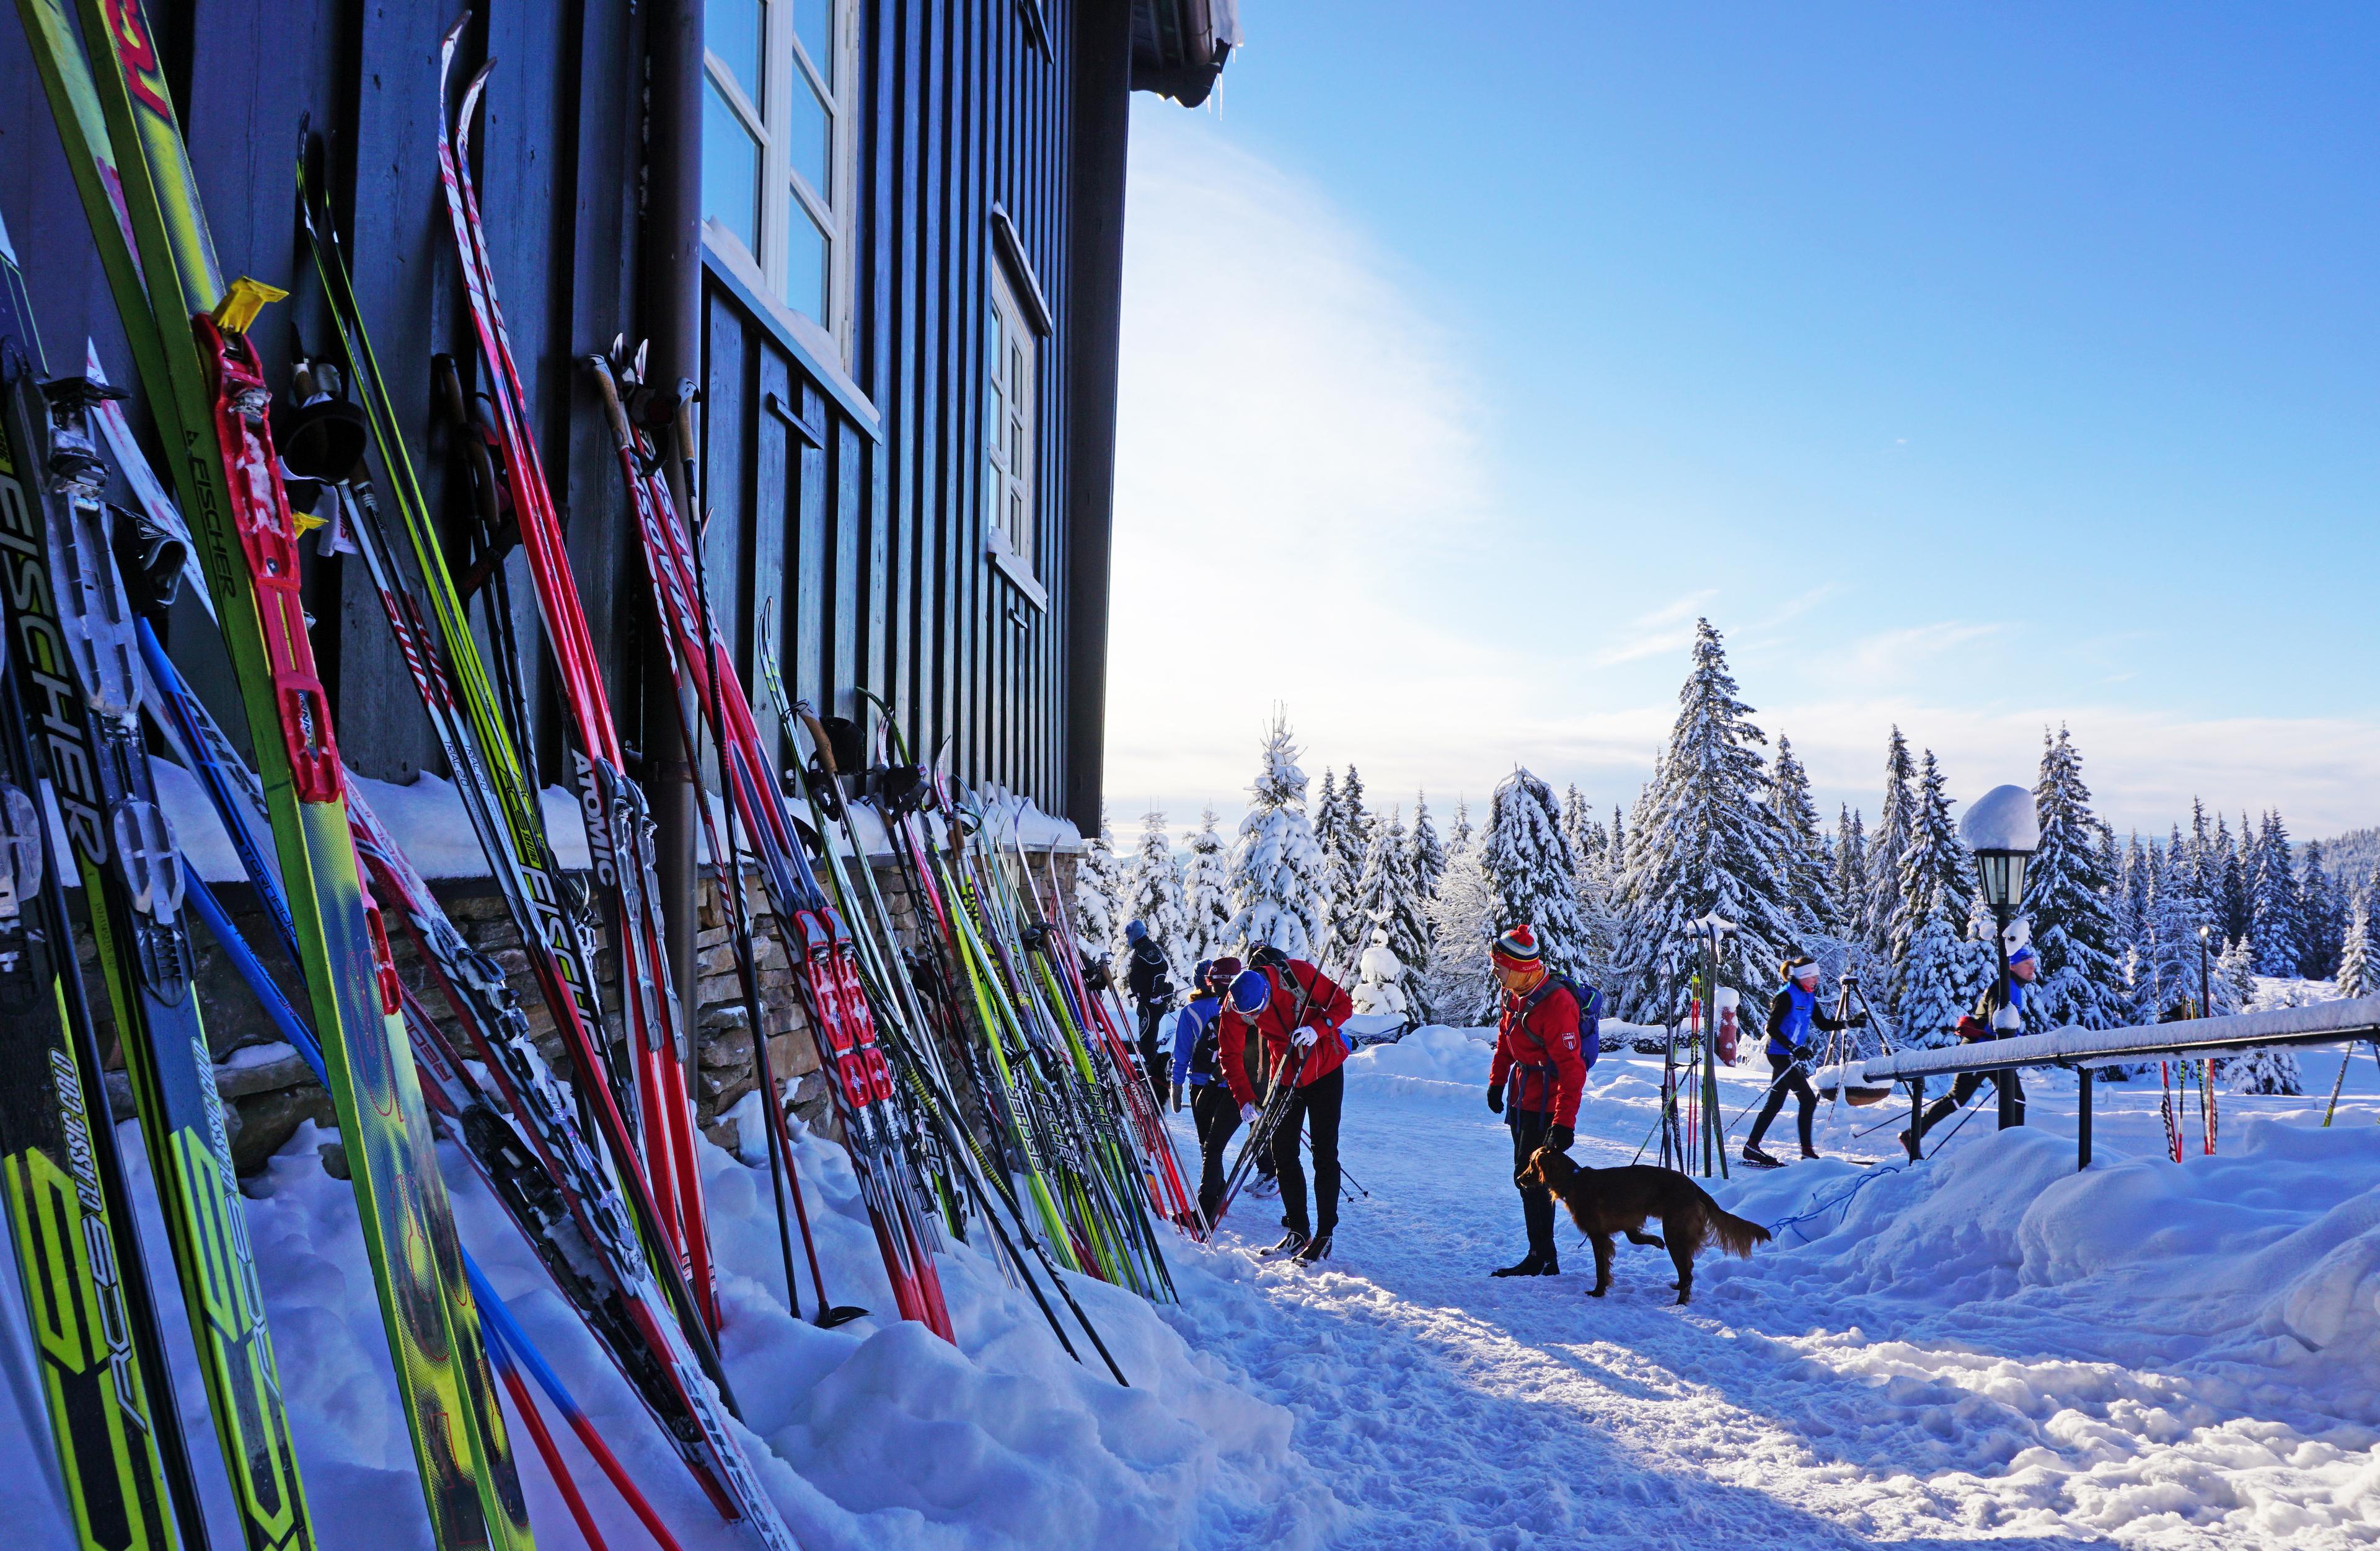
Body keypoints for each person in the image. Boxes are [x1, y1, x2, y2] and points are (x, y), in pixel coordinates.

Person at [1220, 943, 1354, 1263]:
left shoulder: (1298, 974)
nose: (1253, 1020)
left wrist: (1317, 1028)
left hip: (1325, 1068)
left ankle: (1324, 1235)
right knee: (1283, 1152)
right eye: (1248, 1016)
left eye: (1257, 1013)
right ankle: (1298, 1230)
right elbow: (1230, 1054)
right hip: (1284, 1077)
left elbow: (1343, 1005)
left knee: (1324, 1152)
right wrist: (1244, 1099)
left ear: (1267, 991)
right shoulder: (1236, 1003)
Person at [1484, 923, 1589, 1277]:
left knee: (1530, 1177)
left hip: (1546, 1104)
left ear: (1519, 968)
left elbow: (1572, 1071)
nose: (1496, 972)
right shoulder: (1513, 993)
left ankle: (1541, 1255)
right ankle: (1543, 1255)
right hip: (1522, 1095)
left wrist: (1563, 1123)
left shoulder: (1556, 1004)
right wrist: (1497, 1083)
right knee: (1530, 1177)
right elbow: (1505, 1038)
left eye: (1499, 966)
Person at [1906, 942, 2037, 1149]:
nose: (2033, 968)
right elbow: (1999, 1023)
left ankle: (2013, 1147)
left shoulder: (2011, 986)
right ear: (2012, 966)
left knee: (2015, 1099)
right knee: (1962, 1098)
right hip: (1982, 1051)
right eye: (2028, 963)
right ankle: (2014, 1148)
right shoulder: (2006, 986)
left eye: (2033, 963)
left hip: (1990, 1051)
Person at [1742, 956, 1864, 1168]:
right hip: (1779, 1053)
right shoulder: (1786, 996)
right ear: (1804, 976)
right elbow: (1771, 1028)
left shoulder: (1809, 997)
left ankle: (1752, 1146)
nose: (1817, 980)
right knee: (1808, 1100)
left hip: (1788, 1055)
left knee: (1775, 1103)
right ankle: (1807, 1152)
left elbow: (1824, 1024)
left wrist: (1849, 1023)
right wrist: (1793, 1048)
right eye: (1814, 976)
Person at [1170, 957, 1241, 1227]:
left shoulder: (1191, 1012)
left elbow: (1182, 1054)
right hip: (1232, 1084)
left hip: (1201, 1085)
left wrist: (1176, 1086)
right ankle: (1217, 1195)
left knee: (1208, 1146)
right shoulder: (1237, 1005)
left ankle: (1207, 1206)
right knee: (1216, 1145)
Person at [1122, 920, 1176, 1105]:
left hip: (1151, 1002)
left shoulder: (1146, 947)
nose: (1128, 938)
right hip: (1146, 1000)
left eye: (1129, 934)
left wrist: (1156, 992)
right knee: (1147, 1038)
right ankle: (1154, 1070)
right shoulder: (1142, 948)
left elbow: (1160, 969)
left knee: (1147, 1040)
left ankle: (1156, 1074)